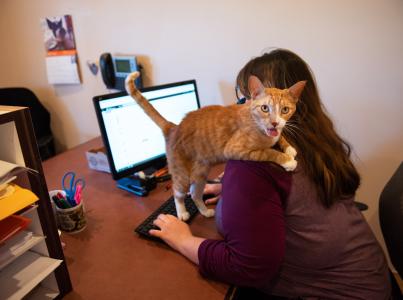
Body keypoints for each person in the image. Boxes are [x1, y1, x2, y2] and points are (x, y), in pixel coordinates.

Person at [149, 49, 391, 299]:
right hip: (373, 279)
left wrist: (183, 240)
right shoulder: (316, 142)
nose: (239, 106)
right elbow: (299, 193)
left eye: (244, 98)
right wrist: (235, 190)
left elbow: (247, 268)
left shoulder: (253, 167)